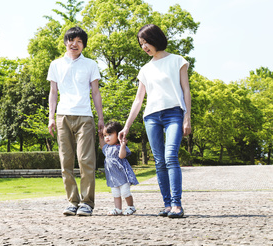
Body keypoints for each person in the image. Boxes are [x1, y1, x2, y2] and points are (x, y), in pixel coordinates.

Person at [118, 24, 191, 219]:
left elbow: (186, 90)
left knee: (170, 157)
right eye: (141, 44)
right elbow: (138, 99)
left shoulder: (178, 61)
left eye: (146, 42)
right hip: (151, 117)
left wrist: (187, 116)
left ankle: (177, 204)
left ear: (156, 39)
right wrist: (126, 126)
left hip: (174, 113)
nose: (144, 47)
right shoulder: (145, 69)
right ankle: (167, 204)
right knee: (159, 162)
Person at [47, 26, 104, 216]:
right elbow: (53, 92)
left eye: (80, 41)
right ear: (66, 42)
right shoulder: (55, 64)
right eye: (72, 40)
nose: (75, 44)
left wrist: (100, 119)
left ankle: (87, 202)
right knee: (66, 161)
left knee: (86, 160)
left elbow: (95, 92)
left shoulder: (90, 64)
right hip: (63, 116)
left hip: (85, 117)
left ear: (83, 46)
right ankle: (72, 201)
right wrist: (51, 117)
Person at [99, 121, 138, 216]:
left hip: (122, 175)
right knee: (115, 193)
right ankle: (118, 209)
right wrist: (100, 136)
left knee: (125, 192)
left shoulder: (119, 146)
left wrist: (123, 144)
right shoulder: (106, 148)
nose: (106, 137)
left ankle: (131, 207)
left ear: (118, 135)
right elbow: (101, 145)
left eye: (109, 134)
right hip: (112, 176)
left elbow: (121, 156)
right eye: (105, 135)